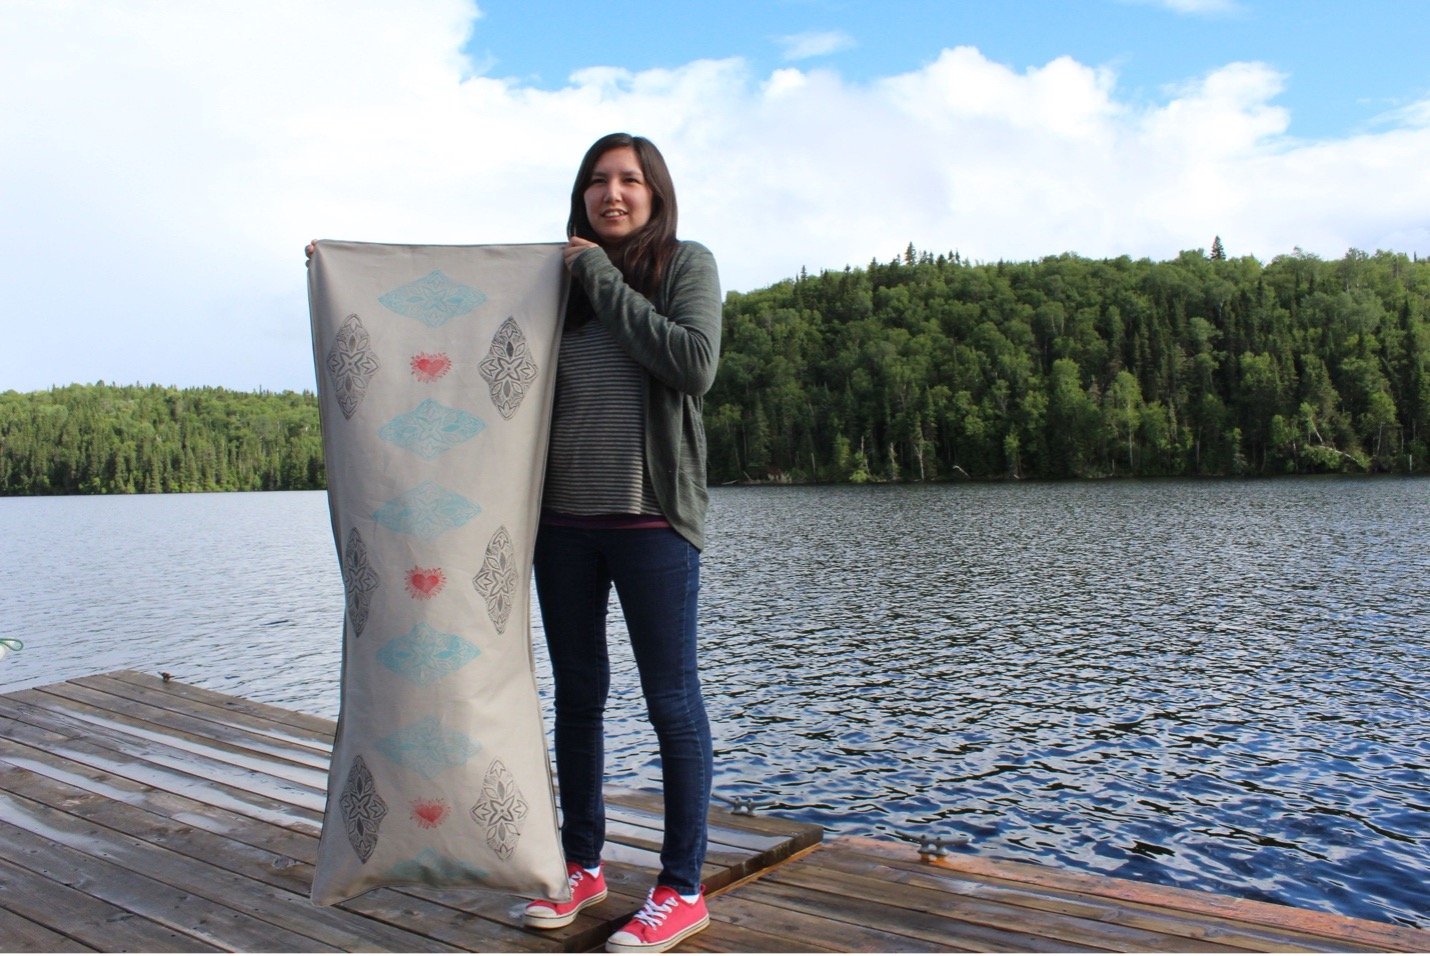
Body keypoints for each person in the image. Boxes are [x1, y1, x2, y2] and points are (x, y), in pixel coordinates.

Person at [519, 132, 721, 954]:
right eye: (598, 181)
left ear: (654, 192)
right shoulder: (554, 283)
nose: (613, 193)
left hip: (651, 522)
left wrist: (599, 276)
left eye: (630, 180)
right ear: (581, 196)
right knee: (578, 697)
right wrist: (345, 273)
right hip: (561, 526)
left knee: (671, 702)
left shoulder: (684, 266)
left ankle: (680, 889)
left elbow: (694, 362)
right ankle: (583, 865)